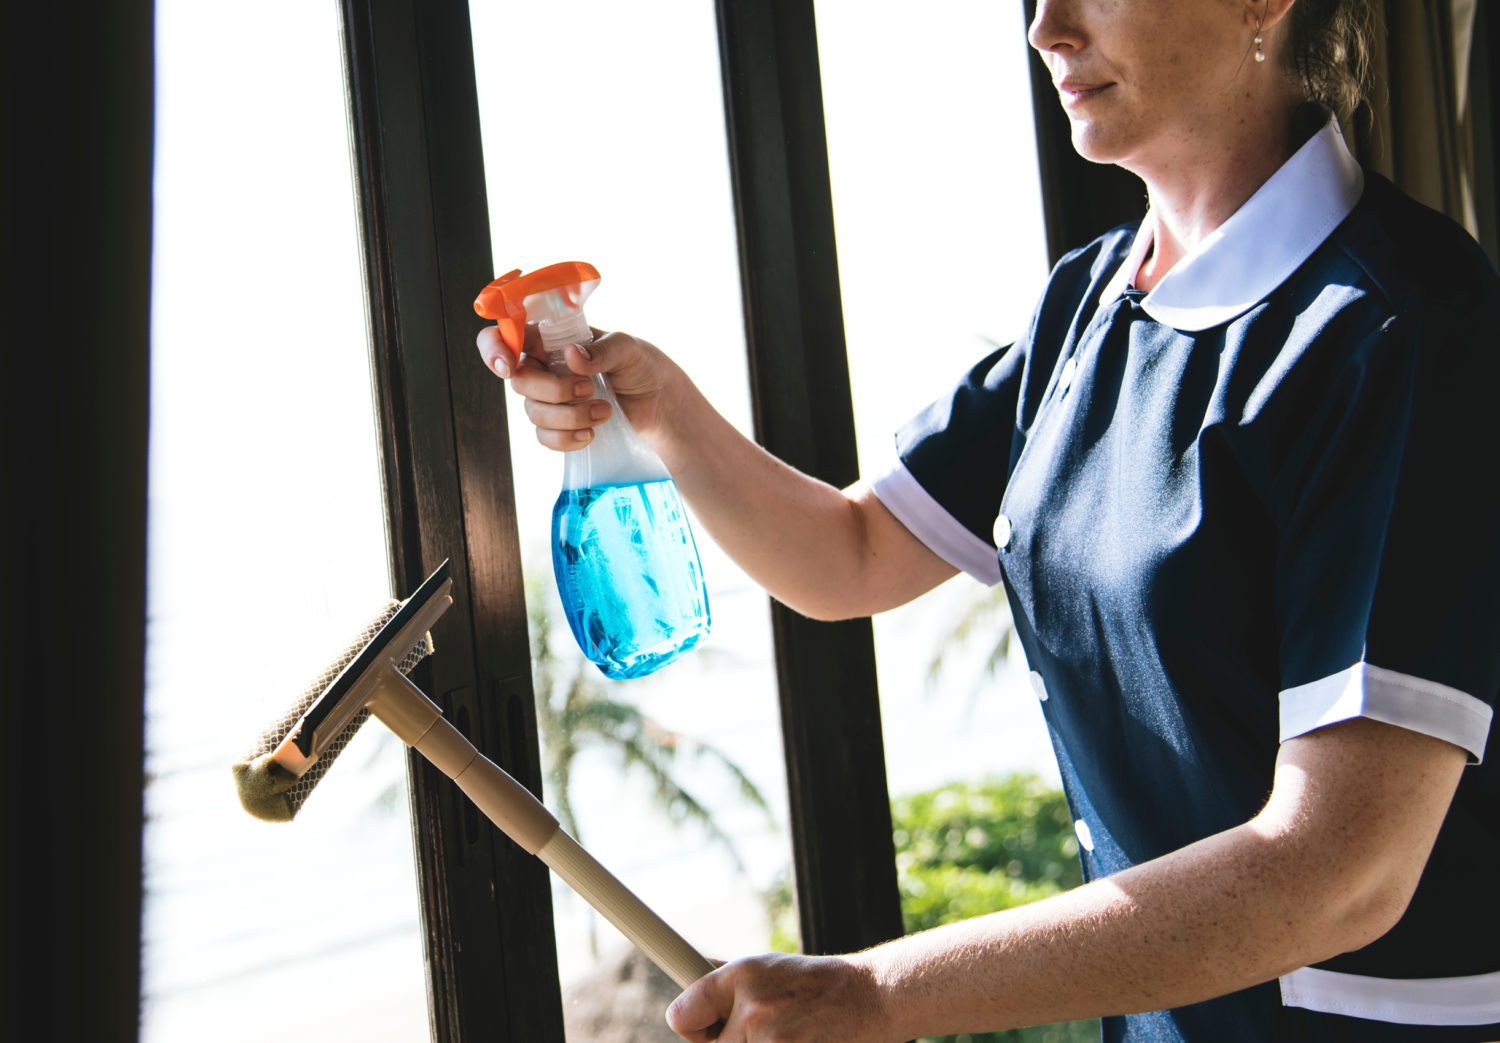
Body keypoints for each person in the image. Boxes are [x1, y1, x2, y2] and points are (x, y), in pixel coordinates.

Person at [478, 0, 1500, 1039]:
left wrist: (877, 991)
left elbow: (1345, 868)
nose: (1046, 28)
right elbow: (855, 553)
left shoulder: (1401, 326)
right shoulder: (1093, 303)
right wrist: (661, 408)